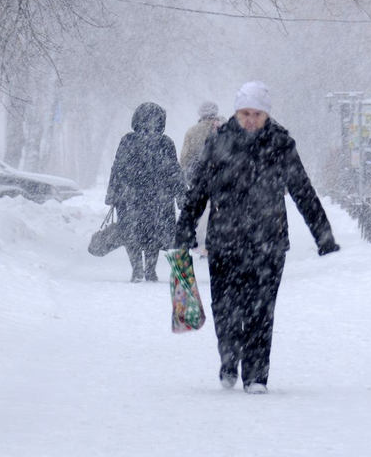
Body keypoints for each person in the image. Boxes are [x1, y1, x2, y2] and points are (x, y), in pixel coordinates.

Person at [174, 81, 340, 394]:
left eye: (257, 114)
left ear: (267, 114)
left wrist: (324, 236)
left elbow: (302, 190)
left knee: (261, 311)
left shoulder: (280, 144)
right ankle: (228, 358)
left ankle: (256, 376)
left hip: (269, 242)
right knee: (224, 307)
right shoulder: (219, 143)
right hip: (225, 242)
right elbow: (198, 192)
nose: (251, 119)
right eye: (245, 113)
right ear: (236, 112)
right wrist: (184, 231)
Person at [106, 102, 185, 283]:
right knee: (154, 235)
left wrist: (113, 193)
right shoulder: (165, 142)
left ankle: (137, 269)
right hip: (159, 197)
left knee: (132, 233)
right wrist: (180, 195)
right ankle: (150, 270)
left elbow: (117, 168)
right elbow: (174, 171)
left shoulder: (128, 140)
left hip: (131, 196)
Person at [179, 101, 224, 258]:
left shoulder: (193, 132)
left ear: (200, 114)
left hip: (199, 178)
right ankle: (216, 243)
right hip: (222, 177)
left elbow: (184, 158)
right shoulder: (226, 128)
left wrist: (189, 176)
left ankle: (202, 243)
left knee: (201, 212)